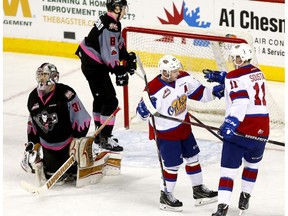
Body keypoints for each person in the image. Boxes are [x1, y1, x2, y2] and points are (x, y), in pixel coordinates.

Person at [136, 55, 223, 212]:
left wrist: (216, 92)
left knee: (193, 158)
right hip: (166, 133)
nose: (179, 72)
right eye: (175, 71)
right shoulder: (153, 89)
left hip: (183, 126)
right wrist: (143, 111)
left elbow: (201, 94)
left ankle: (199, 191)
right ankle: (165, 195)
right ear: (166, 73)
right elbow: (141, 115)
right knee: (172, 165)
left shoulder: (184, 78)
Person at [204, 43, 270, 216]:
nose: (235, 60)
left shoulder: (233, 76)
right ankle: (245, 196)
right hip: (262, 127)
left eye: (236, 58)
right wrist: (224, 78)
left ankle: (222, 207)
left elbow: (241, 101)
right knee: (252, 164)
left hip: (242, 127)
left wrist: (231, 123)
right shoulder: (258, 71)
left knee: (228, 169)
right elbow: (245, 84)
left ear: (242, 58)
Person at [75, 0, 136, 152]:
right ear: (116, 8)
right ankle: (104, 138)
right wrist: (119, 70)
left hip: (91, 64)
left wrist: (127, 57)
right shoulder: (111, 26)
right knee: (111, 101)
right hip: (94, 66)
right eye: (122, 7)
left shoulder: (110, 21)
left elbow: (118, 46)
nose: (124, 10)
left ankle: (99, 134)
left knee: (100, 98)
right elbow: (109, 54)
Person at [21, 63, 91, 185]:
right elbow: (32, 124)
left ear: (54, 77)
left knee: (76, 174)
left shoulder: (66, 94)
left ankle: (84, 157)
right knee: (56, 179)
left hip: (69, 146)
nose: (42, 79)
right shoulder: (33, 98)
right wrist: (31, 145)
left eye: (45, 76)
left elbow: (82, 118)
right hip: (49, 147)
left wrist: (78, 142)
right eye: (41, 75)